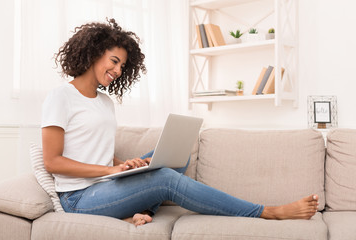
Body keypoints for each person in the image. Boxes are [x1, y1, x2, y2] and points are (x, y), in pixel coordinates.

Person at [42, 18, 319, 226]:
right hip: (79, 199)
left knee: (175, 159)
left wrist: (122, 165)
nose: (117, 71)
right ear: (93, 52)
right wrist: (110, 171)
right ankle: (266, 211)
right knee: (164, 178)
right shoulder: (60, 97)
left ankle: (142, 211)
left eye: (122, 67)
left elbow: (95, 149)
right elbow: (53, 162)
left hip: (103, 186)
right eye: (114, 61)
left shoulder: (105, 102)